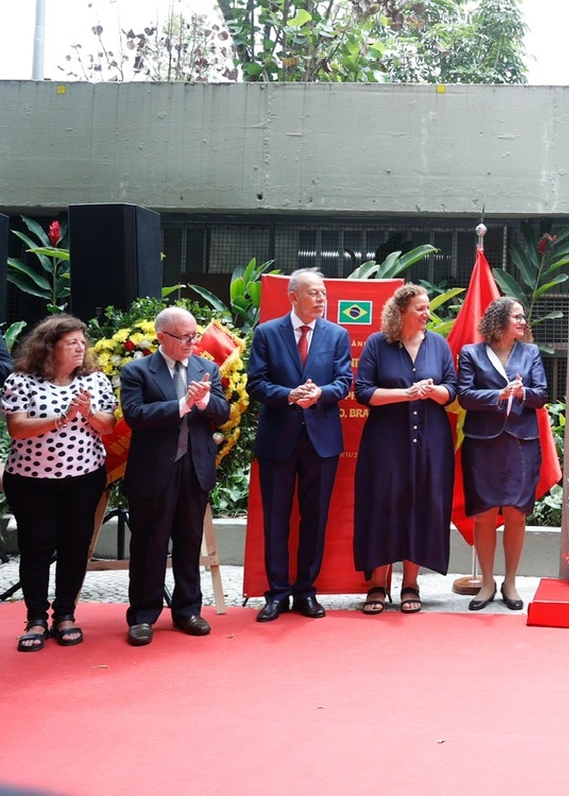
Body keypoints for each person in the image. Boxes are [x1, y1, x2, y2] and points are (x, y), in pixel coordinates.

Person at [2, 315, 116, 651]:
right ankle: (36, 618)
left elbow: (108, 425)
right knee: (36, 547)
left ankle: (65, 614)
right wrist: (63, 417)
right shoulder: (21, 380)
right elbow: (17, 428)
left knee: (75, 545)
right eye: (71, 342)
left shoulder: (95, 380)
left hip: (83, 479)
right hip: (31, 480)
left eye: (83, 342)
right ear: (50, 347)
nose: (80, 348)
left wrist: (89, 414)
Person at [247, 268, 353, 621]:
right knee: (276, 519)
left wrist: (320, 394)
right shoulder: (267, 333)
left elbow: (344, 382)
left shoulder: (337, 335)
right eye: (314, 293)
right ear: (293, 296)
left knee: (315, 518)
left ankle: (307, 591)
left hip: (320, 441)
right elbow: (256, 384)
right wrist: (289, 395)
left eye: (323, 293)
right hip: (278, 438)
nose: (321, 299)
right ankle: (277, 593)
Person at [121, 307, 229, 646]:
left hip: (195, 467)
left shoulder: (206, 367)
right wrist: (182, 404)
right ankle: (142, 615)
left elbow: (223, 413)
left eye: (194, 335)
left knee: (188, 542)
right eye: (184, 337)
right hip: (155, 469)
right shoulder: (137, 370)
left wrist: (206, 402)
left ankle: (187, 610)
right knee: (150, 545)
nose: (192, 342)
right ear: (162, 337)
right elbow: (135, 414)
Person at [353, 284, 457, 614]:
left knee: (422, 505)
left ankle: (410, 583)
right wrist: (407, 393)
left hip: (431, 441)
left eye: (428, 308)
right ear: (401, 312)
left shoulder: (438, 345)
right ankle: (377, 585)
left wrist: (434, 391)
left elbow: (452, 390)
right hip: (386, 441)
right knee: (382, 505)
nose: (427, 314)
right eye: (420, 309)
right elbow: (363, 392)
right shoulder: (377, 344)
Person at [456, 296, 547, 612]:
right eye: (517, 317)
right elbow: (464, 395)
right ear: (498, 321)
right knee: (483, 514)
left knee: (515, 513)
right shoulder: (471, 354)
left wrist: (523, 393)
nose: (523, 322)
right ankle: (487, 582)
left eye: (524, 317)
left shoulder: (531, 353)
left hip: (521, 443)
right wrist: (498, 394)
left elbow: (542, 394)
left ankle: (510, 582)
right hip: (482, 443)